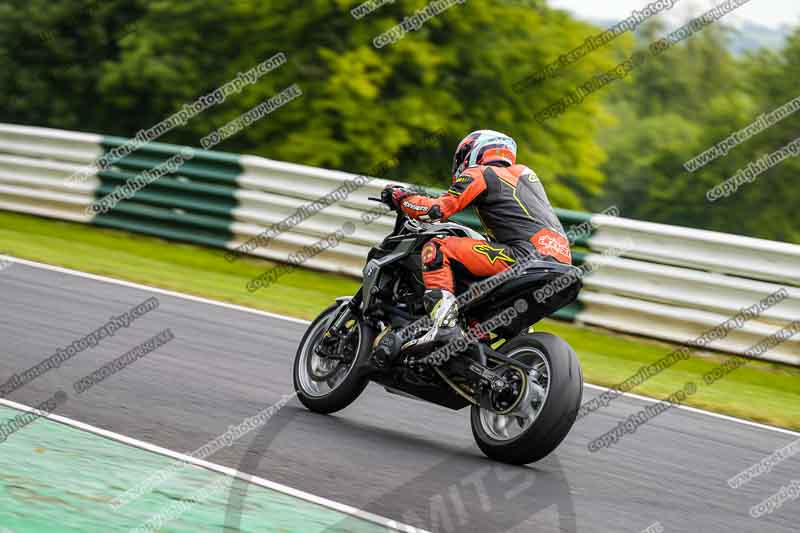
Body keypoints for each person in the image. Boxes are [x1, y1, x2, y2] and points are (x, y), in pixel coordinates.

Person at [384, 129, 572, 348]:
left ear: (475, 151)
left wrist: (403, 198)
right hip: (560, 263)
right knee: (478, 292)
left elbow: (436, 210)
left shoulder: (482, 173)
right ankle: (482, 335)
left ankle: (443, 327)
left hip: (525, 256)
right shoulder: (525, 175)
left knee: (436, 248)